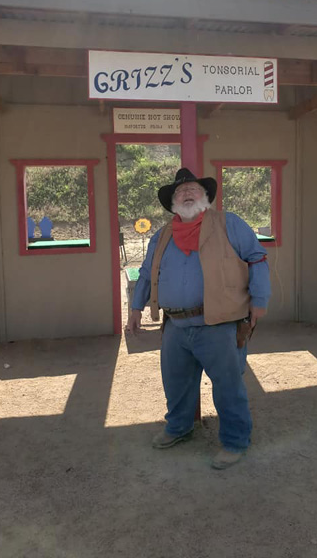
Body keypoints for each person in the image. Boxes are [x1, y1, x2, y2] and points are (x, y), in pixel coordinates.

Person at [127, 167, 271, 469]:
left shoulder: (229, 224)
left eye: (193, 189)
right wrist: (136, 308)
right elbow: (147, 273)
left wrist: (260, 299)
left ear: (206, 196)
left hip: (219, 324)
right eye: (180, 191)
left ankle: (235, 441)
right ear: (173, 203)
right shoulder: (162, 236)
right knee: (176, 383)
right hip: (175, 326)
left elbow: (256, 258)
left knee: (228, 386)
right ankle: (179, 428)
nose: (187, 193)